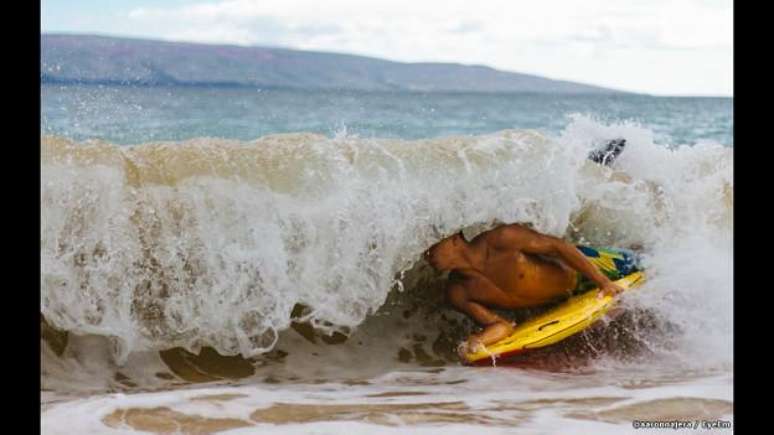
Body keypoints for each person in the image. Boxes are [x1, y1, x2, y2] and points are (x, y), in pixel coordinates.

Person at [424, 139, 640, 354]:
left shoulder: (502, 240)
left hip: (586, 270)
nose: (427, 254)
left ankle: (601, 162)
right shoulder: (459, 293)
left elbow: (559, 247)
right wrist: (477, 341)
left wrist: (603, 282)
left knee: (643, 264)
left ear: (453, 238)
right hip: (563, 303)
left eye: (431, 246)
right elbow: (501, 326)